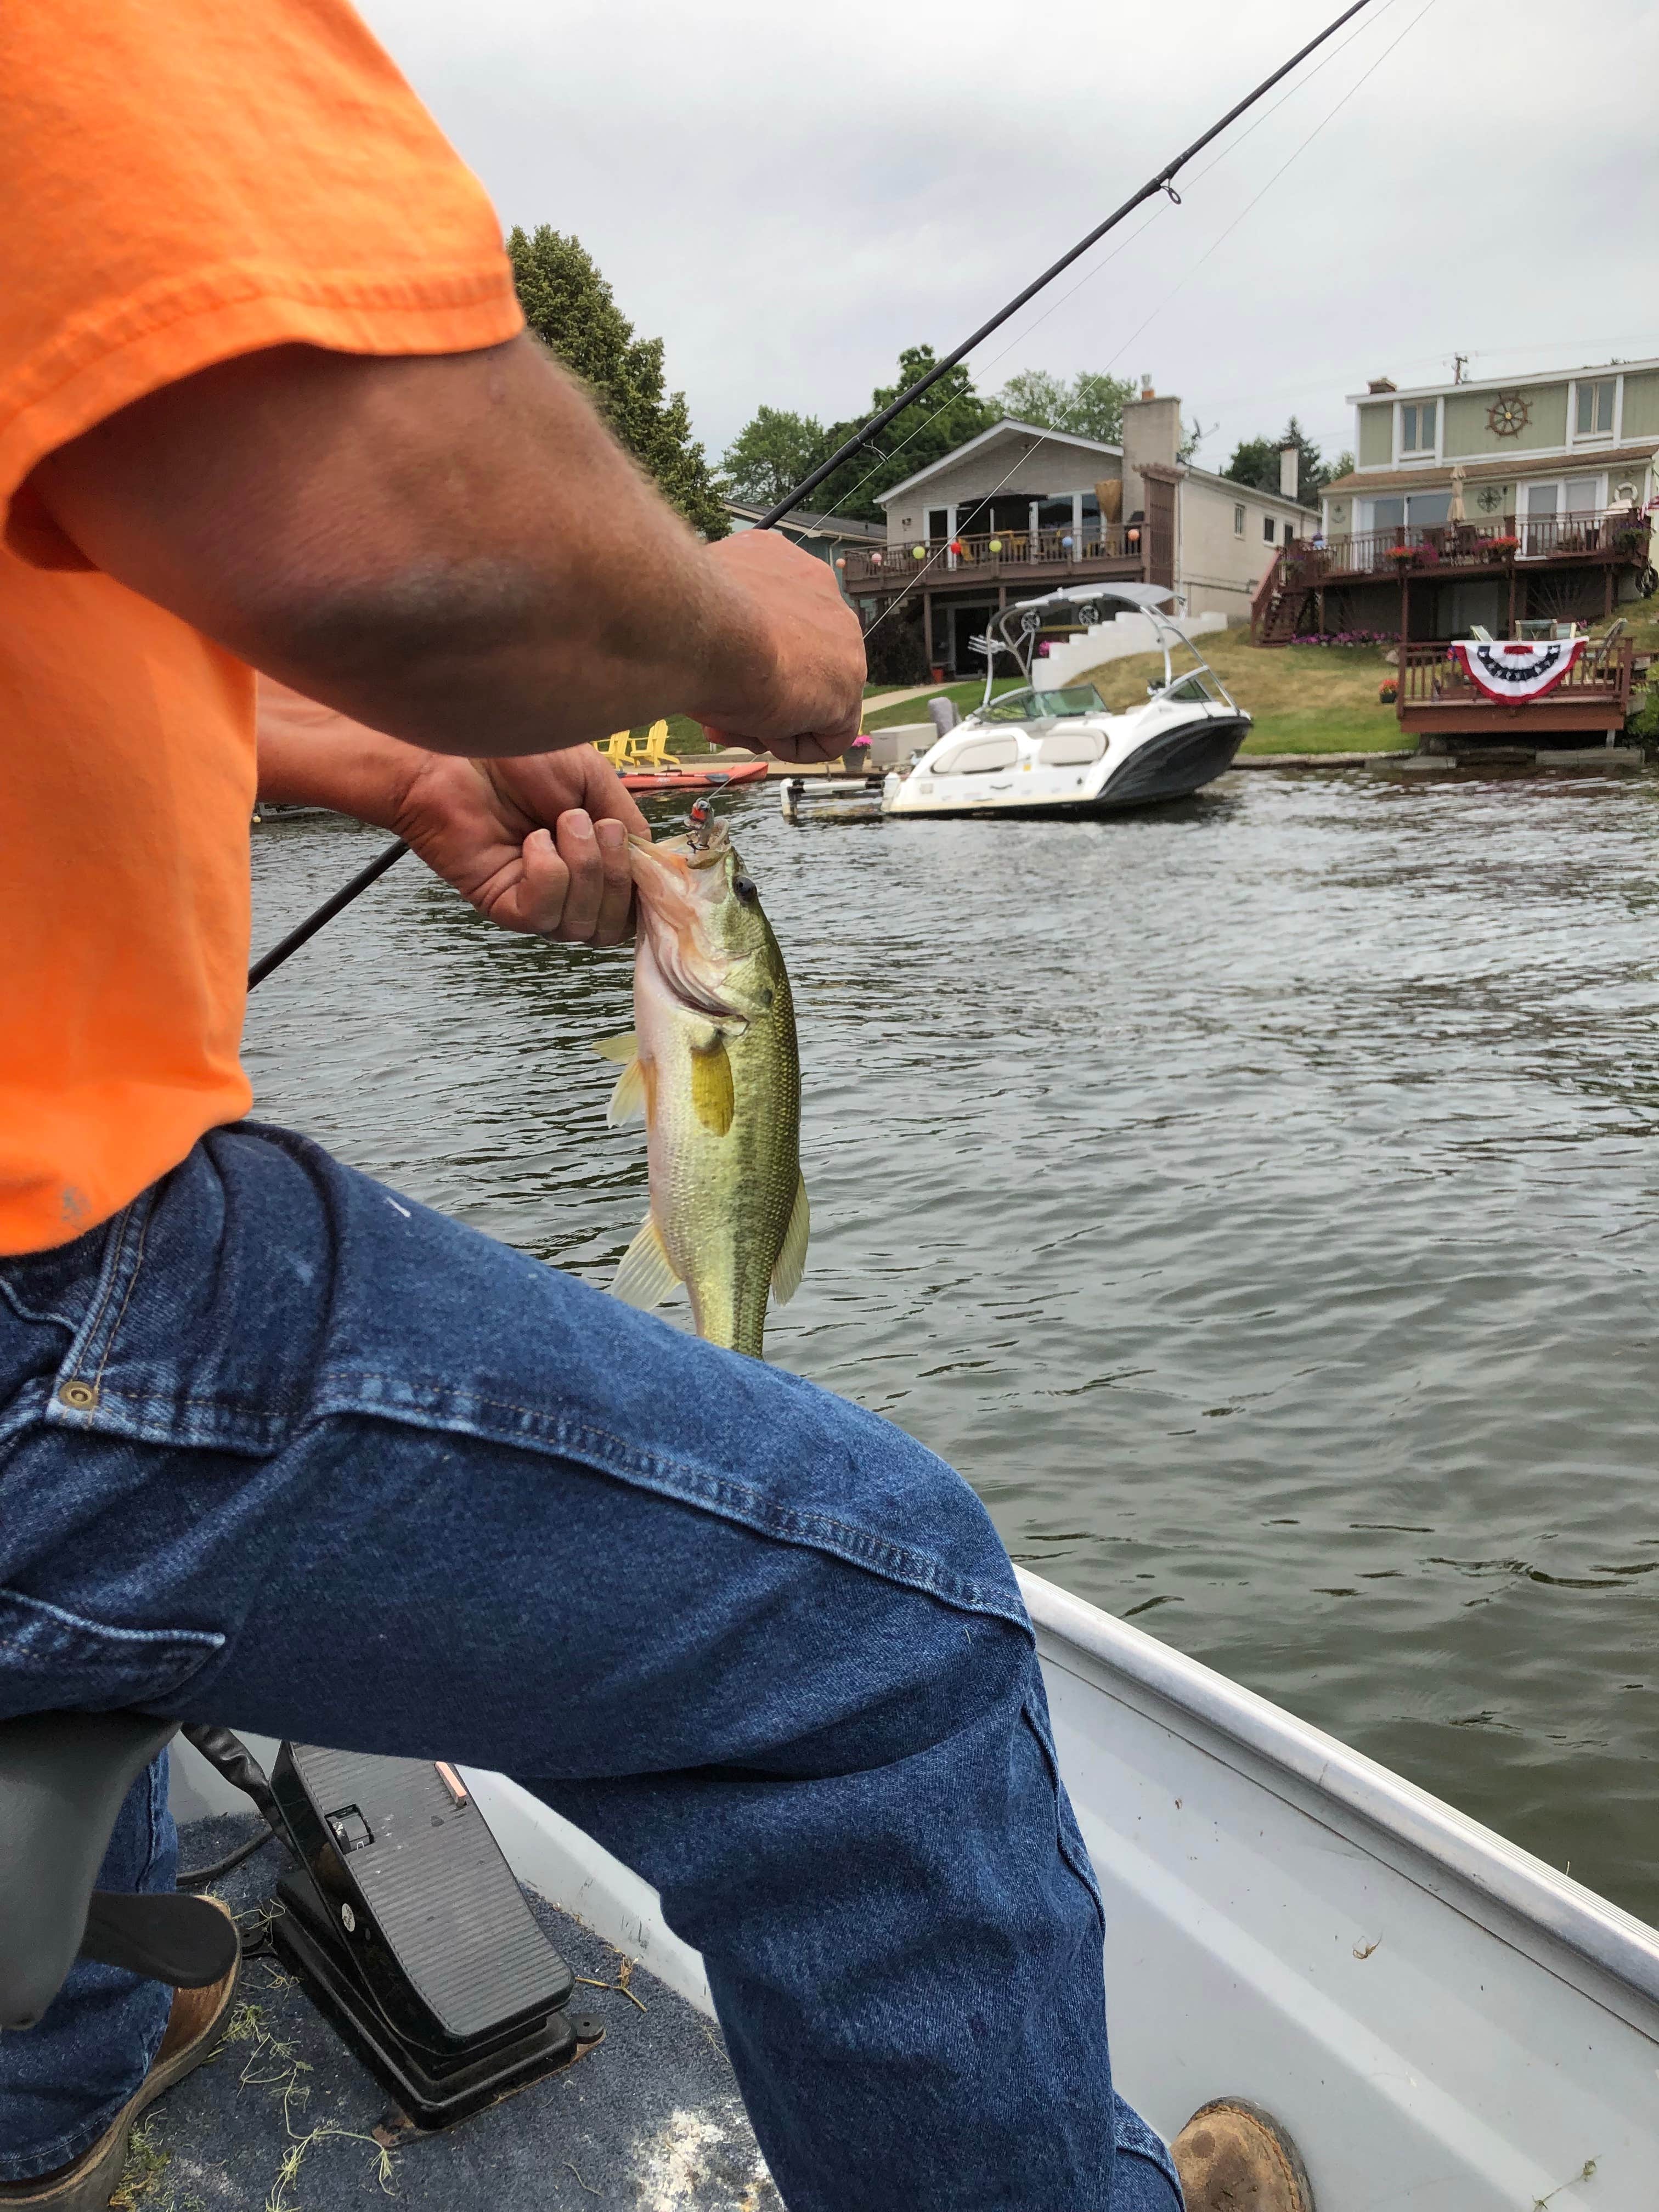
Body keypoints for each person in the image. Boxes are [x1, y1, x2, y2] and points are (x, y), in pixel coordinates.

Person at [0, 8, 1311, 2210]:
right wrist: (751, 632)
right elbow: (380, 512)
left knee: (126, 1570)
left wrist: (383, 757)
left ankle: (53, 2080)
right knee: (896, 1628)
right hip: (41, 1288)